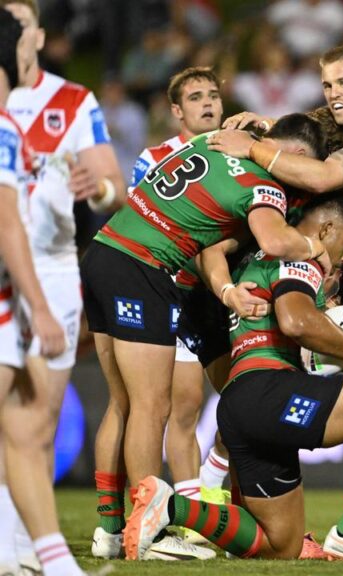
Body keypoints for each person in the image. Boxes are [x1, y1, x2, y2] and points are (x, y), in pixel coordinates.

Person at [208, 46, 343, 552]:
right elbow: (312, 150)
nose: (333, 93)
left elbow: (326, 175)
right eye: (327, 84)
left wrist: (253, 148)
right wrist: (271, 129)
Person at [81, 113, 331, 561]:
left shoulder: (217, 142)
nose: (303, 185)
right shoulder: (266, 183)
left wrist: (225, 290)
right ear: (292, 156)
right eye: (303, 170)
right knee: (152, 406)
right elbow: (274, 241)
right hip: (144, 265)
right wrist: (317, 248)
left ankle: (113, 529)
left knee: (124, 404)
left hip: (104, 252)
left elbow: (212, 242)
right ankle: (151, 531)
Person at [125, 196, 343, 562]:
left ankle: (170, 508)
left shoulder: (257, 257)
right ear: (326, 229)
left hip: (240, 401)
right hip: (271, 391)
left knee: (281, 544)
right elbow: (295, 323)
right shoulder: (301, 256)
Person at [1, 1, 125, 569]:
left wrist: (94, 190)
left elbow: (112, 187)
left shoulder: (72, 100)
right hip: (9, 267)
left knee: (40, 417)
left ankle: (29, 546)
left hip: (51, 266)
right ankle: (14, 544)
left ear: (39, 35)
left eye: (21, 22)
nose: (15, 32)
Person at [90, 65, 229, 558]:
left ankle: (172, 511)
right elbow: (163, 226)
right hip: (165, 285)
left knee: (206, 404)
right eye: (196, 97)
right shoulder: (156, 158)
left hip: (204, 293)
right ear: (177, 110)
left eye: (213, 95)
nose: (208, 104)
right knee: (160, 404)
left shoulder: (231, 149)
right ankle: (141, 521)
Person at [0, 9, 84, 576]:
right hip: (14, 297)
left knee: (24, 433)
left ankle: (52, 564)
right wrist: (40, 306)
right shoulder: (4, 128)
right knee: (25, 432)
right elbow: (6, 221)